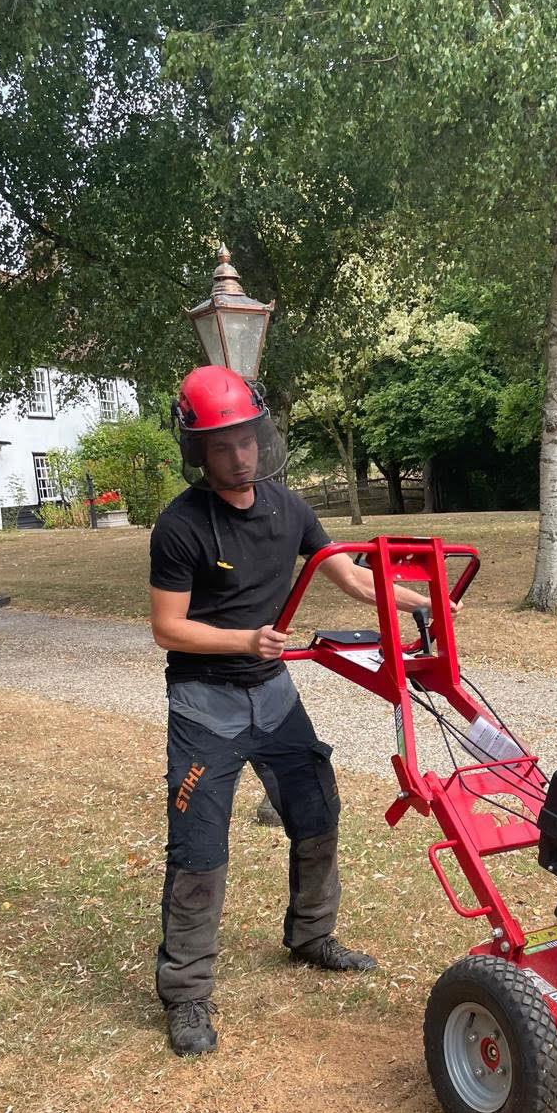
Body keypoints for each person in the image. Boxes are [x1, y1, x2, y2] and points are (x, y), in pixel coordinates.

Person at [148, 364, 437, 1057]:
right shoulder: (180, 527)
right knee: (199, 850)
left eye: (246, 439)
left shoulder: (289, 507)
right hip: (204, 704)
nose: (240, 455)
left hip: (274, 695)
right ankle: (187, 994)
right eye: (223, 445)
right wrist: (246, 639)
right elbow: (168, 627)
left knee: (317, 809)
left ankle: (311, 936)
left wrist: (419, 600)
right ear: (199, 452)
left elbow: (350, 575)